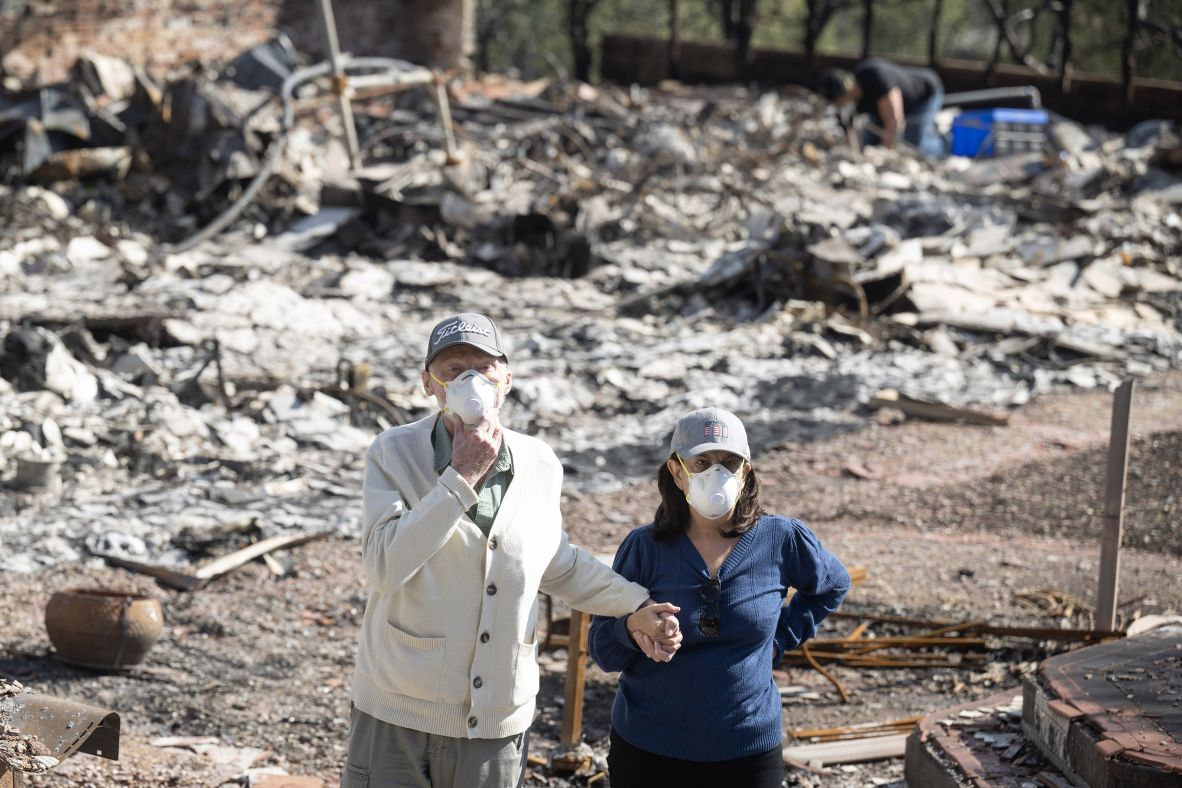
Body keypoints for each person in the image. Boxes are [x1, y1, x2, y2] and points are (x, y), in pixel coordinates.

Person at [343, 312, 683, 788]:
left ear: (506, 380)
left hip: (497, 720)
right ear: (429, 385)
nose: (469, 381)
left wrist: (636, 605)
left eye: (482, 368)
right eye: (453, 369)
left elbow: (557, 564)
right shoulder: (393, 452)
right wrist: (460, 478)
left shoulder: (539, 462)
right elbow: (384, 566)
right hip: (397, 712)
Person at [589, 407, 851, 788]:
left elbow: (832, 585)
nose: (718, 473)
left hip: (746, 752)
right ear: (677, 472)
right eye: (702, 462)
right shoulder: (644, 547)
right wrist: (631, 628)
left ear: (746, 472)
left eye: (730, 462)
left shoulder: (783, 538)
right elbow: (603, 651)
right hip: (649, 751)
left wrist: (780, 639)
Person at [819, 58, 945, 158]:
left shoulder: (875, 77)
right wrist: (852, 156)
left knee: (914, 145)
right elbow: (850, 131)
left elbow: (895, 121)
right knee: (870, 140)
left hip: (924, 95)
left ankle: (945, 146)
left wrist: (886, 157)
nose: (841, 105)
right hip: (882, 112)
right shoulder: (845, 104)